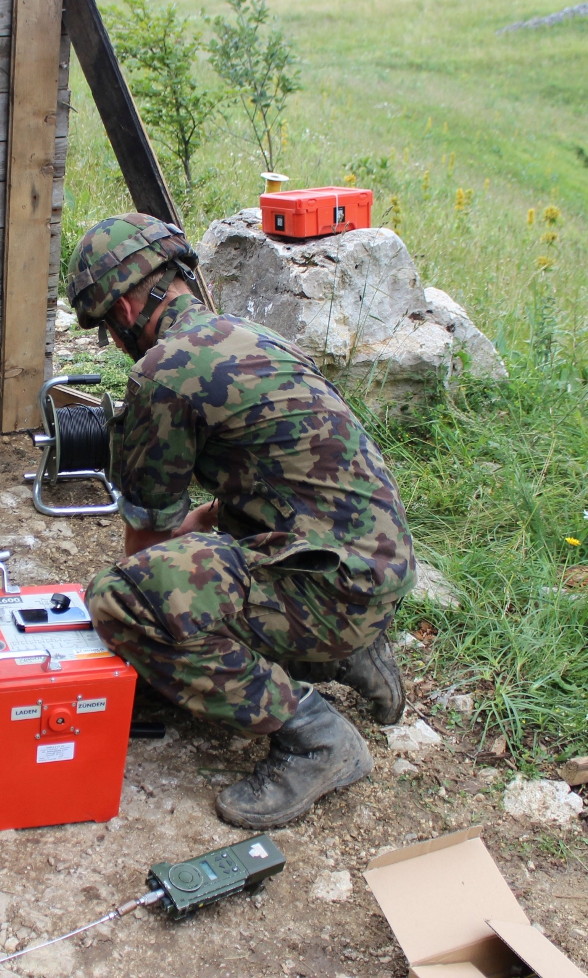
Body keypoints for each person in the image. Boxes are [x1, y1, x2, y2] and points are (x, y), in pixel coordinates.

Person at [68, 213, 417, 830]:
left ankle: (315, 739)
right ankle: (350, 653)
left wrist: (142, 637)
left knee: (121, 599)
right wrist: (206, 526)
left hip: (333, 589)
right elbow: (276, 484)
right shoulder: (251, 336)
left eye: (107, 329)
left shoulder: (162, 373)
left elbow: (145, 545)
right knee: (202, 559)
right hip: (374, 568)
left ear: (122, 310)